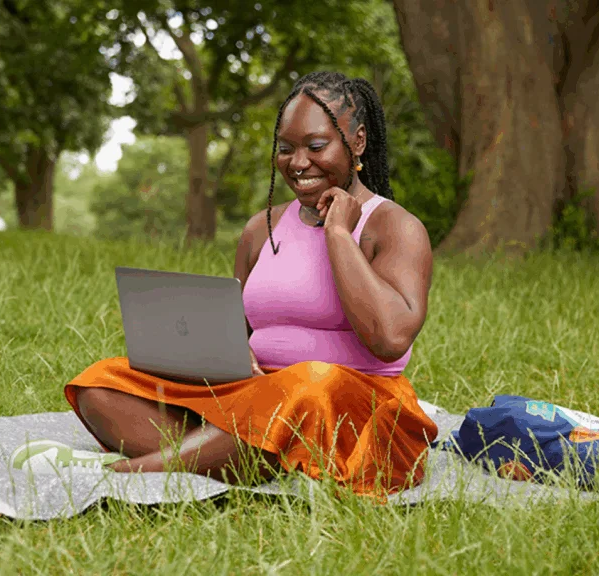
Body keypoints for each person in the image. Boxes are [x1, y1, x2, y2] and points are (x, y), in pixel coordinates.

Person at [62, 71, 438, 496]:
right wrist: (229, 350)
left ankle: (155, 467)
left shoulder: (395, 227)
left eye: (316, 147)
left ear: (358, 143)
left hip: (352, 406)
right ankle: (246, 453)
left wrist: (337, 234)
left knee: (312, 382)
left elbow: (389, 338)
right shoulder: (262, 228)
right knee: (100, 382)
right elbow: (234, 330)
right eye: (285, 149)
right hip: (254, 395)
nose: (298, 163)